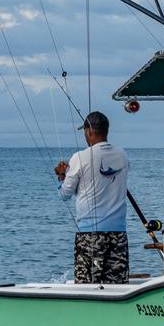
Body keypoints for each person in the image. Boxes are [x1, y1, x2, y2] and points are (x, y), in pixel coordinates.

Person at [54, 111, 131, 284]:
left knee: (87, 286)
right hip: (118, 234)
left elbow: (64, 194)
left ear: (89, 131)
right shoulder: (122, 155)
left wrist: (61, 176)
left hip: (90, 235)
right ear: (106, 130)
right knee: (116, 286)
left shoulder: (80, 158)